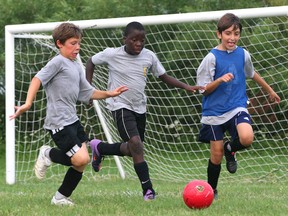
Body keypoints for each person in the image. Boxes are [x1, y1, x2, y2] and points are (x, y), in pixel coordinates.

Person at [9, 22, 127, 206]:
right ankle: (48, 153)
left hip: (72, 121)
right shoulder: (57, 62)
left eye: (79, 43)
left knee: (81, 163)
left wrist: (109, 94)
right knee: (81, 158)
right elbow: (37, 79)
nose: (77, 47)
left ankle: (60, 197)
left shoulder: (75, 66)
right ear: (59, 43)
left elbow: (87, 93)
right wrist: (28, 103)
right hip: (59, 123)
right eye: (73, 43)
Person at [86, 21, 204, 201]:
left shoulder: (149, 56)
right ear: (124, 39)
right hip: (119, 105)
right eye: (134, 40)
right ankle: (148, 190)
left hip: (140, 107)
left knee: (133, 149)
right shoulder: (111, 54)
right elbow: (90, 62)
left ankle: (100, 147)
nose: (139, 44)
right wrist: (88, 90)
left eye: (142, 40)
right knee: (136, 144)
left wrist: (185, 86)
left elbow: (163, 76)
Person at [196, 13, 281, 199]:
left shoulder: (243, 54)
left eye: (236, 34)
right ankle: (212, 191)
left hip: (237, 106)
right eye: (228, 33)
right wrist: (219, 80)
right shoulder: (211, 58)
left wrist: (269, 89)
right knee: (216, 155)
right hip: (214, 113)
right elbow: (204, 90)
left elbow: (252, 73)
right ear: (218, 34)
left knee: (247, 137)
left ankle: (230, 148)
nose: (232, 38)